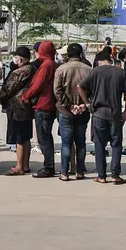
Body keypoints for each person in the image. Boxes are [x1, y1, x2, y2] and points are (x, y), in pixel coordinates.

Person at [80, 47, 126, 184]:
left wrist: (87, 103)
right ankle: (115, 175)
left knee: (99, 145)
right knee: (116, 145)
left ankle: (101, 176)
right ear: (111, 60)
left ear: (100, 61)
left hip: (98, 113)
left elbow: (80, 87)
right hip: (115, 113)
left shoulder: (95, 72)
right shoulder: (121, 72)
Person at [54, 43, 91, 181]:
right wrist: (84, 105)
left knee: (66, 143)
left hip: (65, 111)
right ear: (80, 54)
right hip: (82, 111)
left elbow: (57, 91)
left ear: (67, 55)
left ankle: (64, 172)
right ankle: (79, 171)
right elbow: (92, 90)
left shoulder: (61, 69)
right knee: (81, 142)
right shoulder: (88, 69)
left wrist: (69, 106)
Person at [22, 40, 59, 178]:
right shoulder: (54, 64)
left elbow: (37, 85)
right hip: (51, 104)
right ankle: (49, 165)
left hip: (43, 105)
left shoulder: (46, 66)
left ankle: (48, 167)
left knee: (44, 138)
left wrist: (25, 96)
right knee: (46, 136)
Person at [0, 47, 36, 175]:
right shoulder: (33, 69)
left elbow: (8, 89)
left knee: (20, 138)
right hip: (28, 107)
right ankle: (25, 165)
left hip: (18, 108)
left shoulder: (19, 72)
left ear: (20, 59)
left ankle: (19, 166)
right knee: (26, 137)